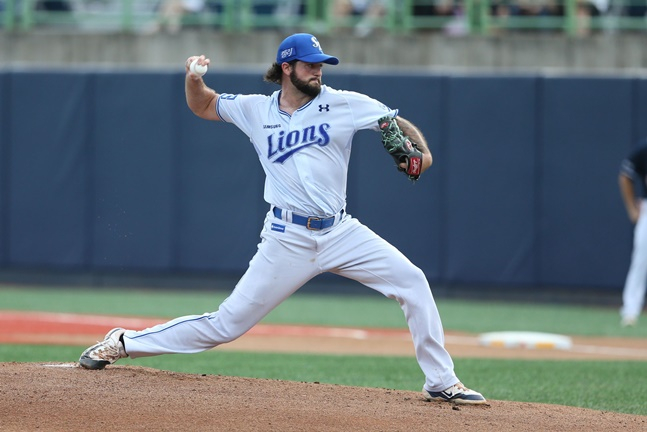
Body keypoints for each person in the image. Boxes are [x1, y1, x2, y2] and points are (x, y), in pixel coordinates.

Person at [78, 33, 486, 405]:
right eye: (310, 64)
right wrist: (192, 78)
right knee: (227, 324)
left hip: (340, 231)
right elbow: (203, 104)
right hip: (286, 236)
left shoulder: (342, 102)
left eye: (321, 63)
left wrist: (420, 153)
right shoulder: (256, 110)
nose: (318, 70)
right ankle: (125, 342)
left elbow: (391, 121)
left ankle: (440, 380)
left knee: (412, 281)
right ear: (287, 68)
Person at [618, 139, 647, 327]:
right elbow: (625, 174)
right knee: (641, 259)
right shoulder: (644, 150)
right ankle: (630, 311)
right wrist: (631, 208)